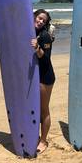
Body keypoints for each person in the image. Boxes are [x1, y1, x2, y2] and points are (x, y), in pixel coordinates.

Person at [30, 9, 55, 154]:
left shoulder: (45, 36)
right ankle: (34, 135)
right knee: (34, 107)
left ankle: (44, 140)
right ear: (34, 17)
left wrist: (38, 48)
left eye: (43, 21)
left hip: (45, 77)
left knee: (43, 110)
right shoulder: (29, 32)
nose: (40, 21)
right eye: (39, 18)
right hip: (33, 76)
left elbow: (46, 60)